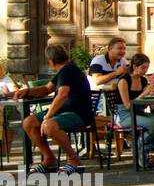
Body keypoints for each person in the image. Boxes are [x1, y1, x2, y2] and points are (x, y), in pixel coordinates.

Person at [15, 43, 95, 175]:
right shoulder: (63, 71)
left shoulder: (68, 71)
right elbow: (47, 89)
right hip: (64, 112)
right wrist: (27, 90)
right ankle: (49, 159)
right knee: (29, 122)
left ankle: (74, 161)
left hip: (78, 114)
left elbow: (62, 94)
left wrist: (47, 117)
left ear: (51, 61)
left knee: (49, 126)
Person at [114, 53, 154, 162]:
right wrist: (144, 94)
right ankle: (140, 146)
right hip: (124, 115)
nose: (145, 70)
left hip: (139, 112)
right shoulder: (124, 81)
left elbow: (144, 104)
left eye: (147, 68)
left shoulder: (143, 80)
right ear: (135, 67)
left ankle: (143, 146)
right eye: (143, 68)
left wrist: (153, 94)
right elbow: (127, 106)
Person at [88, 37, 130, 109]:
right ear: (110, 48)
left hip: (115, 96)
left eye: (124, 49)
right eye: (120, 48)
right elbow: (97, 81)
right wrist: (116, 73)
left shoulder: (123, 61)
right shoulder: (98, 60)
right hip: (98, 98)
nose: (123, 51)